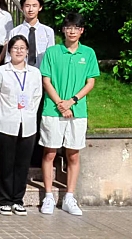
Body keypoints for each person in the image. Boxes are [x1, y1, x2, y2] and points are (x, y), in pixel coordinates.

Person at [39, 13, 99, 217]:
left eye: (76, 27)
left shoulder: (88, 53)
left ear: (82, 31)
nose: (72, 31)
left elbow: (90, 82)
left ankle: (69, 197)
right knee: (50, 152)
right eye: (68, 27)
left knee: (73, 154)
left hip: (77, 111)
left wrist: (72, 101)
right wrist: (60, 103)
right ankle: (48, 196)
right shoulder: (52, 52)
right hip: (53, 109)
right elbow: (46, 80)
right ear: (63, 30)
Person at [0, 35, 43, 216]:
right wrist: (0, 115)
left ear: (27, 51)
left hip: (27, 124)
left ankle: (18, 200)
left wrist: (28, 113)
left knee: (22, 164)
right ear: (9, 51)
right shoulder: (0, 73)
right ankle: (4, 200)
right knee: (5, 163)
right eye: (15, 48)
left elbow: (37, 96)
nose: (19, 51)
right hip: (5, 123)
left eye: (22, 48)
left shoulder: (34, 73)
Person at [5, 0, 55, 67]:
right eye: (27, 6)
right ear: (22, 8)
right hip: (20, 70)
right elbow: (9, 56)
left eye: (34, 6)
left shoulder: (48, 31)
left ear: (40, 8)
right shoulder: (15, 32)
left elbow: (51, 55)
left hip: (42, 70)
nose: (31, 9)